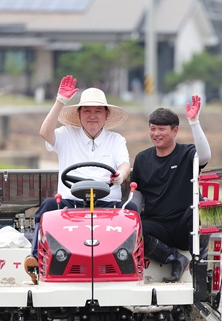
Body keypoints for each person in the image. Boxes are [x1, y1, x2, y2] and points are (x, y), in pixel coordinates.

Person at [24, 75, 137, 282]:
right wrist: (60, 101)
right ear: (79, 114)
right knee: (48, 206)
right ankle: (34, 258)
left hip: (107, 204)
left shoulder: (116, 140)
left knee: (132, 211)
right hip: (69, 204)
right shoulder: (66, 134)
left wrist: (120, 175)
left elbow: (124, 164)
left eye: (97, 111)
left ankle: (134, 266)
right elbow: (44, 132)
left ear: (106, 114)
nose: (92, 116)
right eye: (87, 111)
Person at [130, 95, 211, 282]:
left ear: (174, 131)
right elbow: (137, 196)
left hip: (183, 225)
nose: (156, 133)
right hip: (157, 226)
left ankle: (199, 266)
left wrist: (194, 122)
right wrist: (129, 215)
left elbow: (205, 155)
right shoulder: (142, 159)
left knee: (201, 206)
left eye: (161, 129)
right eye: (152, 129)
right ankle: (175, 259)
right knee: (132, 228)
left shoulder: (188, 153)